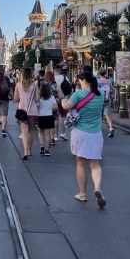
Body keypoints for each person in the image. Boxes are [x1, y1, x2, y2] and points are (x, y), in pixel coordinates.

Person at [61, 67, 105, 208]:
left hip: (80, 132)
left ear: (85, 81)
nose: (78, 83)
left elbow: (67, 106)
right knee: (95, 164)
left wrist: (63, 101)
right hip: (96, 134)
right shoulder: (101, 94)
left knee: (80, 163)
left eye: (80, 81)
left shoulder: (78, 94)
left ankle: (82, 193)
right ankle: (97, 187)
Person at [13, 67, 39, 160]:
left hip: (22, 112)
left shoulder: (18, 85)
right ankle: (29, 151)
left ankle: (24, 151)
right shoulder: (34, 85)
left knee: (24, 132)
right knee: (30, 131)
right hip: (32, 111)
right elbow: (37, 98)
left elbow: (15, 98)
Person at [37, 83, 56, 156]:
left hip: (41, 116)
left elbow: (37, 106)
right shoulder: (51, 97)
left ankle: (42, 145)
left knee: (40, 132)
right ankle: (47, 150)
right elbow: (56, 107)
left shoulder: (39, 98)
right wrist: (51, 107)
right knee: (47, 134)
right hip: (49, 115)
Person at [54, 66, 71, 142]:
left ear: (54, 71)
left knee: (55, 118)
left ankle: (55, 135)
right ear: (60, 70)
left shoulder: (52, 78)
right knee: (63, 116)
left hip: (54, 99)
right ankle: (63, 133)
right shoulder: (65, 78)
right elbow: (69, 87)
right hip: (64, 98)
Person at [97, 69, 115, 138]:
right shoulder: (108, 81)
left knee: (99, 115)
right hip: (107, 100)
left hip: (99, 100)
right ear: (105, 74)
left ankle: (99, 129)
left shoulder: (97, 81)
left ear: (99, 74)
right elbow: (112, 90)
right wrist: (111, 98)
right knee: (107, 115)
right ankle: (111, 128)